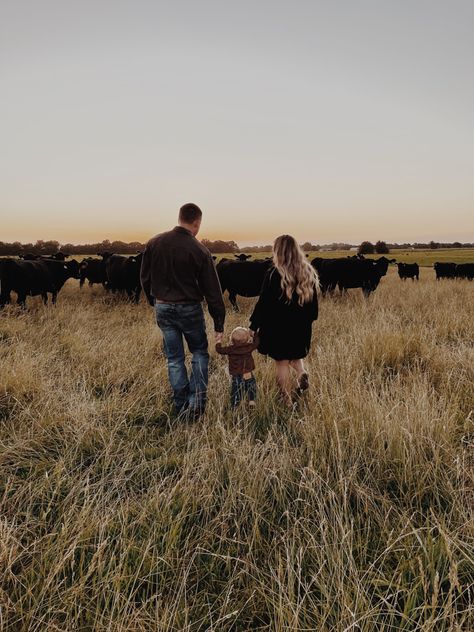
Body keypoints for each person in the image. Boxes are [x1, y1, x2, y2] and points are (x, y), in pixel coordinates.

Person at [140, 203, 225, 418]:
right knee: (199, 353)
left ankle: (180, 404)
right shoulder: (200, 250)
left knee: (174, 358)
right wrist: (219, 323)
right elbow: (213, 290)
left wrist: (155, 301)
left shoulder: (154, 243)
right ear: (197, 222)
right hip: (189, 308)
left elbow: (145, 277)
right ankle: (196, 403)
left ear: (179, 218)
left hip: (163, 306)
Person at [249, 234, 319, 406]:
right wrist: (305, 322)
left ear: (277, 251)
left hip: (277, 328)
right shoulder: (308, 273)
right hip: (301, 328)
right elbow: (314, 310)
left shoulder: (274, 273)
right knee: (295, 356)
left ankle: (286, 401)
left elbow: (263, 303)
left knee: (282, 363)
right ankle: (302, 372)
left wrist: (254, 325)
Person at [216, 327, 259, 409]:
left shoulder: (230, 349)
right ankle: (252, 400)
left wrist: (218, 341)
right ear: (247, 340)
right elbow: (257, 343)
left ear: (232, 340)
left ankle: (235, 405)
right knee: (251, 384)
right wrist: (254, 334)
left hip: (236, 373)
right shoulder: (249, 347)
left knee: (236, 388)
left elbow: (219, 350)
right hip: (247, 371)